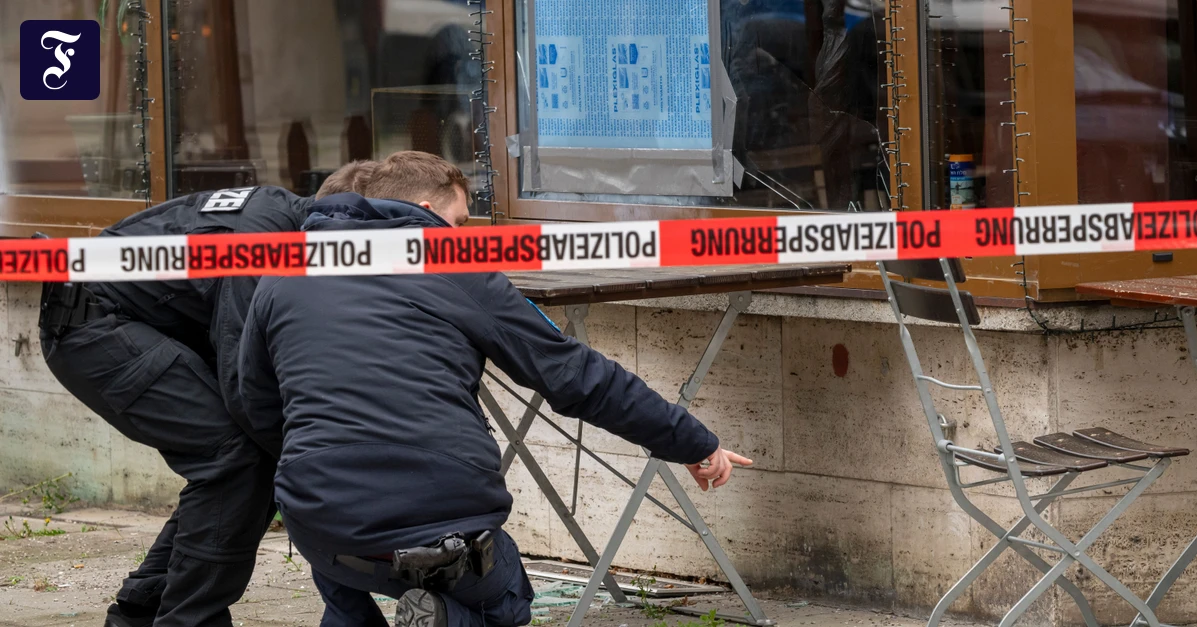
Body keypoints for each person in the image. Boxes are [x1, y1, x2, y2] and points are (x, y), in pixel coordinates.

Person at [237, 153, 752, 627]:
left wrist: (321, 470)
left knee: (341, 563)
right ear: (425, 211)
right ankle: (444, 620)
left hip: (319, 512)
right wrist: (692, 441)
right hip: (439, 515)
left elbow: (256, 402)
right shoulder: (452, 264)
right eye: (460, 222)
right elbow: (577, 375)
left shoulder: (284, 268)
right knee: (503, 603)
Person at [38, 159, 379, 627]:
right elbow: (245, 380)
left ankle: (144, 609)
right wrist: (311, 463)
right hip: (95, 328)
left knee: (237, 465)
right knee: (235, 457)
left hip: (130, 323)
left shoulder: (287, 220)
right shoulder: (264, 242)